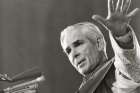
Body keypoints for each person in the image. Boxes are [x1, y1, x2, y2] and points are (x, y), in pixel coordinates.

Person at [60, 0, 140, 93]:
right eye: (68, 51)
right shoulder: (82, 90)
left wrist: (122, 36)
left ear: (99, 44)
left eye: (78, 44)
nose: (73, 54)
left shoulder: (118, 74)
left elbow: (132, 69)